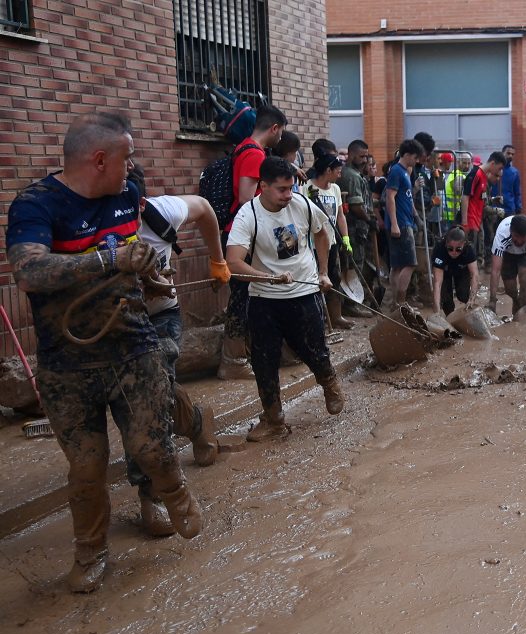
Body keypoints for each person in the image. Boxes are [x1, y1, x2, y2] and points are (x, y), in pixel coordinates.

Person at [5, 111, 203, 592]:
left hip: (133, 346)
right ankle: (90, 554)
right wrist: (108, 259)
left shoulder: (127, 197)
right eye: (127, 157)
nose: (133, 168)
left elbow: (130, 256)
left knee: (150, 447)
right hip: (66, 363)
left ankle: (169, 490)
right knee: (87, 468)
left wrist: (148, 269)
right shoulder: (35, 205)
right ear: (98, 160)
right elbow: (29, 273)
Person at [125, 167, 228, 539]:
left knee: (150, 398)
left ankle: (150, 494)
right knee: (143, 397)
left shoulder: (161, 211)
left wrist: (217, 260)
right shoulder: (93, 220)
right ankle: (198, 422)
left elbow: (203, 207)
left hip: (162, 315)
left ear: (138, 204)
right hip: (118, 324)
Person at [225, 157, 346, 440]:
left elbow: (322, 234)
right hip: (264, 298)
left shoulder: (301, 204)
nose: (287, 195)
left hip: (303, 293)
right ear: (262, 186)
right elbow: (233, 263)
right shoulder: (248, 215)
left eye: (290, 188)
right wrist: (267, 277)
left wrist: (324, 272)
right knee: (264, 362)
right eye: (281, 189)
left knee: (314, 350)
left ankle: (329, 384)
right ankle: (273, 418)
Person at [220, 106, 287, 380]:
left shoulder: (248, 150)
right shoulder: (252, 154)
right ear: (274, 128)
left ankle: (246, 354)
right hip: (243, 237)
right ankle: (233, 361)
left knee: (249, 296)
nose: (281, 138)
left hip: (247, 235)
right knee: (241, 297)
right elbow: (248, 199)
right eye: (281, 132)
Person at [305, 153, 355, 329]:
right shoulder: (307, 187)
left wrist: (346, 237)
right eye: (338, 171)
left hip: (333, 241)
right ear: (328, 170)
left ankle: (336, 317)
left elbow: (340, 215)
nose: (340, 174)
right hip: (313, 244)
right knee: (315, 281)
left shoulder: (334, 189)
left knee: (334, 278)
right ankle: (317, 320)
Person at [337, 138, 377, 317]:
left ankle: (353, 301)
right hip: (353, 227)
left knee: (357, 264)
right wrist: (369, 220)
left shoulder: (355, 174)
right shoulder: (351, 176)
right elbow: (356, 206)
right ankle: (350, 304)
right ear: (351, 155)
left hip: (357, 228)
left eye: (366, 156)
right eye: (361, 156)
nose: (365, 160)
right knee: (354, 264)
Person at [386, 139, 423, 308]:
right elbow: (390, 197)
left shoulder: (404, 173)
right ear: (407, 155)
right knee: (410, 263)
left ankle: (396, 302)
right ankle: (400, 301)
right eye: (415, 157)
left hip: (406, 220)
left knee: (397, 266)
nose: (416, 161)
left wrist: (416, 217)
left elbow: (406, 197)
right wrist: (394, 224)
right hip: (401, 223)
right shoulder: (396, 171)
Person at [488, 214, 526, 314]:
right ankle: (516, 301)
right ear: (510, 232)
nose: (519, 241)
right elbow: (495, 271)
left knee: (524, 278)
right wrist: (492, 300)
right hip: (507, 254)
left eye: (523, 237)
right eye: (516, 237)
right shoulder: (502, 235)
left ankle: (522, 312)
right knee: (510, 288)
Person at [462, 151, 505, 258]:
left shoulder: (483, 178)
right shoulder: (475, 174)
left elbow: (481, 199)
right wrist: (465, 223)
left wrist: (493, 200)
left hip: (477, 222)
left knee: (474, 253)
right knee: (469, 254)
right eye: (499, 168)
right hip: (471, 221)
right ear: (493, 163)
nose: (499, 173)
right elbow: (465, 197)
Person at [431, 226, 480, 315]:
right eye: (450, 249)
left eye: (458, 249)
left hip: (462, 270)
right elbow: (437, 283)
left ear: (464, 244)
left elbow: (475, 275)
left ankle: (468, 312)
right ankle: (450, 317)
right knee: (446, 300)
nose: (454, 252)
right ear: (446, 244)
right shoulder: (439, 249)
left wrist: (472, 300)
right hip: (445, 270)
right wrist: (436, 310)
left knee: (463, 295)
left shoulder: (469, 249)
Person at [499, 144, 522, 217]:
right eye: (508, 153)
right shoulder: (494, 169)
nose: (510, 156)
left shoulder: (514, 172)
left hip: (509, 209)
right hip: (494, 209)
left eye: (512, 154)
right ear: (502, 153)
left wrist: (518, 208)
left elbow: (517, 192)